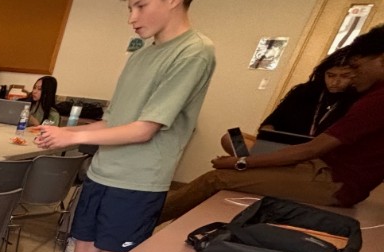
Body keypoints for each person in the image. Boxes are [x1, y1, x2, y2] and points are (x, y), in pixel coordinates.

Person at [33, 0, 216, 252]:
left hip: (138, 182)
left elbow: (145, 129)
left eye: (141, 6)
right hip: (103, 172)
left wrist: (70, 139)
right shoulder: (141, 55)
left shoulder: (194, 52)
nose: (132, 17)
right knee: (83, 247)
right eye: (130, 8)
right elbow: (114, 120)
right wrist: (64, 131)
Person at [160, 24, 384, 222]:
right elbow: (272, 129)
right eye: (332, 74)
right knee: (233, 140)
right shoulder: (308, 93)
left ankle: (140, 223)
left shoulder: (375, 99)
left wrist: (241, 163)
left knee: (215, 178)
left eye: (355, 67)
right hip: (318, 164)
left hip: (332, 180)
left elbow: (312, 148)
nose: (351, 76)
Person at [219, 48, 356, 154]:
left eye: (345, 76)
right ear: (323, 74)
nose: (335, 82)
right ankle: (256, 162)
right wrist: (270, 137)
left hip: (316, 156)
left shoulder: (358, 100)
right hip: (280, 150)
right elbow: (269, 125)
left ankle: (253, 163)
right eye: (330, 75)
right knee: (231, 137)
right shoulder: (303, 92)